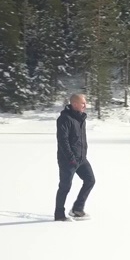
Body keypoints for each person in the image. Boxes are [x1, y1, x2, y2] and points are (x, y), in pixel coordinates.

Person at [54, 93, 95, 221]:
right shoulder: (65, 119)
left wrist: (81, 156)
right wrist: (71, 158)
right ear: (75, 104)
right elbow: (63, 141)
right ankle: (59, 214)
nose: (85, 105)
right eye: (83, 103)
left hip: (81, 158)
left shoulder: (80, 118)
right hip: (68, 160)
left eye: (85, 103)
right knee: (65, 186)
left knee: (90, 180)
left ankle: (77, 209)